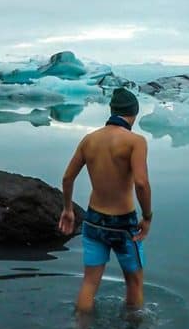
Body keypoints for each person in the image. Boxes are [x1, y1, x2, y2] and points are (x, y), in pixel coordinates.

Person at [57, 87, 152, 312]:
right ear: (134, 114)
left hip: (93, 220)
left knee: (90, 282)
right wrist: (147, 217)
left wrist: (68, 209)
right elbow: (141, 183)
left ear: (112, 110)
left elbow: (67, 178)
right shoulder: (135, 141)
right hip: (123, 224)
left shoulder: (89, 139)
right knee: (134, 282)